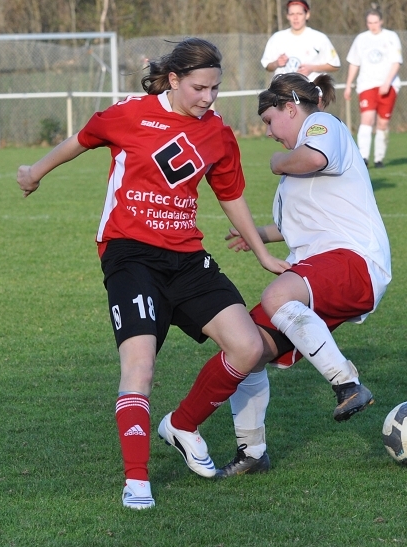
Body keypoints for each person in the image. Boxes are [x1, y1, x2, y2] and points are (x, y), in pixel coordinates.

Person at [16, 37, 288, 509]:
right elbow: (79, 141)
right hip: (130, 255)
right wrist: (35, 172)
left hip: (186, 257)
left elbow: (230, 195)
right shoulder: (128, 113)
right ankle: (137, 480)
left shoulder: (218, 134)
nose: (208, 98)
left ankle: (180, 425)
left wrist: (263, 253)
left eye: (215, 89)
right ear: (174, 79)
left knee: (249, 348)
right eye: (199, 88)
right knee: (139, 367)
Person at [215, 73, 392, 477]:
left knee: (278, 297)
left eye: (269, 120)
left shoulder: (322, 125)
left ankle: (347, 384)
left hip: (356, 261)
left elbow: (315, 158)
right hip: (322, 266)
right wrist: (258, 234)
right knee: (248, 351)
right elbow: (295, 225)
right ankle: (252, 453)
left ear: (291, 109)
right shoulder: (292, 176)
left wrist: (278, 163)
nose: (269, 132)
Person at [344, 7, 403, 168]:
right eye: (370, 23)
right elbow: (354, 63)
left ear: (381, 21)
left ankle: (379, 158)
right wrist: (348, 85)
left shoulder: (391, 37)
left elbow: (396, 62)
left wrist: (387, 82)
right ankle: (363, 157)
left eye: (376, 22)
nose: (373, 25)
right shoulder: (361, 39)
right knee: (367, 119)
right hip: (366, 85)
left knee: (382, 124)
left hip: (388, 86)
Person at [261, 0, 340, 82]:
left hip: (311, 91)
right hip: (283, 92)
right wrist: (276, 63)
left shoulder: (320, 38)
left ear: (307, 15)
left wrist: (312, 68)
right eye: (292, 14)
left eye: (299, 14)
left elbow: (335, 65)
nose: (295, 18)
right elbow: (267, 65)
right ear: (287, 16)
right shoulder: (277, 38)